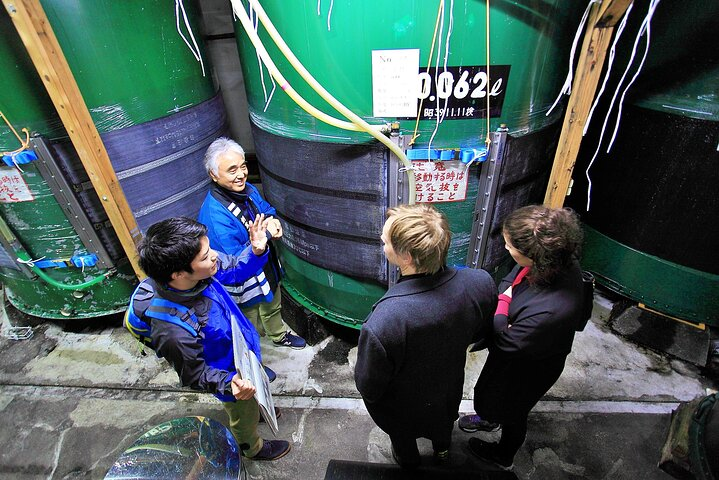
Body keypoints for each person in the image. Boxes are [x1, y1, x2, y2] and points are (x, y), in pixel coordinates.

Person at [130, 216, 291, 461]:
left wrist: (257, 250)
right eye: (205, 257)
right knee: (242, 412)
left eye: (209, 248)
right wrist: (230, 384)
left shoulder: (200, 273)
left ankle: (256, 406)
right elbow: (194, 374)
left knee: (253, 396)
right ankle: (252, 446)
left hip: (239, 350)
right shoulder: (172, 331)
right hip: (227, 374)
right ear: (178, 274)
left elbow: (234, 268)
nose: (214, 255)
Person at [354, 204, 497, 468]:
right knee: (443, 427)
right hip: (447, 393)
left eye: (385, 242)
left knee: (403, 437)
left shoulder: (384, 321)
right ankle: (442, 453)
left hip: (401, 407)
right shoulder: (480, 283)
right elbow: (480, 332)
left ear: (406, 256)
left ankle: (409, 462)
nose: (381, 243)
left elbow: (368, 385)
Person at [461, 205, 586, 471]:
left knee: (514, 411)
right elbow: (511, 279)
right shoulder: (554, 260)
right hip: (524, 344)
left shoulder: (552, 309)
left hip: (529, 365)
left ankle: (503, 456)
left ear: (534, 253)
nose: (506, 249)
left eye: (509, 246)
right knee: (491, 396)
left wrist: (500, 305)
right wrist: (505, 300)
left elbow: (506, 341)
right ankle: (489, 417)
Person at [198, 138, 306, 362]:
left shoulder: (247, 191)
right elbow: (236, 262)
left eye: (243, 166)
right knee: (245, 324)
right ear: (213, 175)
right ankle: (251, 362)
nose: (241, 174)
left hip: (265, 265)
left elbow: (265, 210)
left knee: (272, 303)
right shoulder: (215, 215)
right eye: (232, 170)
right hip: (241, 282)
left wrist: (272, 220)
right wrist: (266, 235)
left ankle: (278, 335)